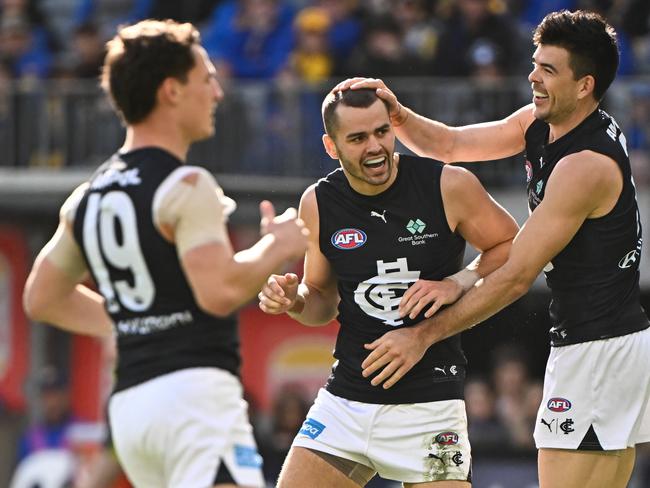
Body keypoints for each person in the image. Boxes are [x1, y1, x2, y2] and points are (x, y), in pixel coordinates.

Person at [336, 9, 650, 488]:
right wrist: (400, 118)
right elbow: (450, 145)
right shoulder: (541, 123)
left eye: (548, 70)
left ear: (584, 85)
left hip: (599, 352)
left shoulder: (584, 166)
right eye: (535, 63)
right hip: (603, 344)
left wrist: (423, 335)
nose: (532, 76)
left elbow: (515, 276)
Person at [22, 19, 308, 488]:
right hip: (194, 399)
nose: (217, 93)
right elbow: (218, 292)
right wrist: (278, 244)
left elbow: (42, 298)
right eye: (206, 79)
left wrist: (131, 325)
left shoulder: (87, 197)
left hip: (132, 410)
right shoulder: (187, 185)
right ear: (172, 91)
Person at [258, 87, 519, 487]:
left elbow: (510, 247)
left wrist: (459, 280)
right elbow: (321, 301)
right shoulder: (319, 201)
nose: (375, 147)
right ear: (332, 146)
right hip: (346, 400)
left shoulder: (447, 184)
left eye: (382, 132)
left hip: (430, 403)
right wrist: (295, 300)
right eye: (358, 139)